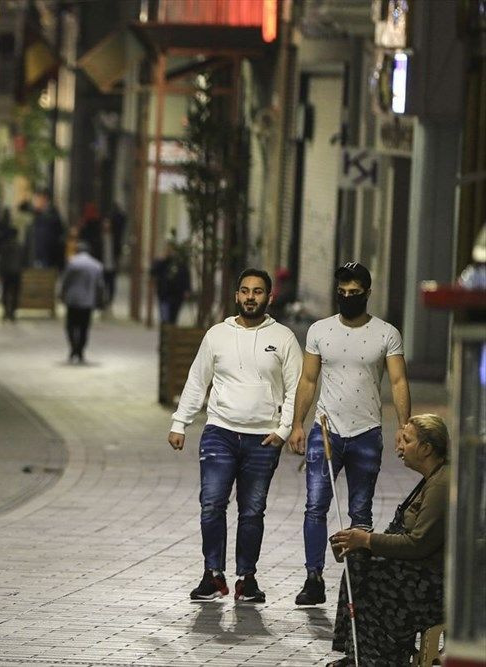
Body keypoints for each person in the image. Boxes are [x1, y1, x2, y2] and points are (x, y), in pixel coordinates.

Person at [168, 268, 302, 602]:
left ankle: (246, 578)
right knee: (211, 503)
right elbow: (198, 380)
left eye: (258, 292)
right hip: (220, 432)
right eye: (245, 291)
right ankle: (213, 574)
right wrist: (179, 422)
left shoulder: (284, 338)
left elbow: (295, 388)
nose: (250, 297)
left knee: (252, 510)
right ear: (236, 296)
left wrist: (284, 430)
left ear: (269, 297)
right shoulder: (217, 335)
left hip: (263, 439)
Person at [287, 261, 410, 606]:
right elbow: (308, 380)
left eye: (354, 293)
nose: (347, 298)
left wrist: (404, 427)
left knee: (361, 512)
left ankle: (358, 582)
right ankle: (313, 578)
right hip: (326, 430)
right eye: (341, 293)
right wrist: (298, 423)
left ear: (367, 294)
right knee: (315, 506)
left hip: (367, 432)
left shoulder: (387, 334)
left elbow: (399, 381)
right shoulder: (319, 331)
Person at [325, 415, 449, 666]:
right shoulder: (431, 479)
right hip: (418, 571)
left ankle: (378, 658)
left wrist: (367, 541)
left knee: (370, 578)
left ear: (426, 449)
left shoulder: (442, 484)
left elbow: (418, 544)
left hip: (432, 585)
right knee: (357, 561)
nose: (399, 447)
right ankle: (359, 654)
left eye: (406, 440)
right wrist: (355, 541)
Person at [60, 241, 105, 364]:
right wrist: (100, 300)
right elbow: (100, 285)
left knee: (70, 326)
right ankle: (80, 351)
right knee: (84, 327)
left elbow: (65, 281)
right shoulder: (96, 265)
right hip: (88, 301)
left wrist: (62, 294)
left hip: (73, 299)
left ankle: (73, 348)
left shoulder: (72, 263)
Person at [150, 242, 191, 325]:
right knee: (164, 316)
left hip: (177, 294)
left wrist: (187, 289)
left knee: (173, 317)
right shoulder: (162, 262)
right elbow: (153, 272)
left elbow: (186, 276)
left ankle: (170, 331)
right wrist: (162, 260)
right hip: (164, 294)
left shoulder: (180, 263)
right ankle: (165, 332)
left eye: (171, 250)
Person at [28, 189, 65, 269]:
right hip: (40, 259)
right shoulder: (40, 215)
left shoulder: (50, 216)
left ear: (43, 199)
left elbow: (48, 241)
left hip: (47, 260)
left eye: (35, 199)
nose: (34, 202)